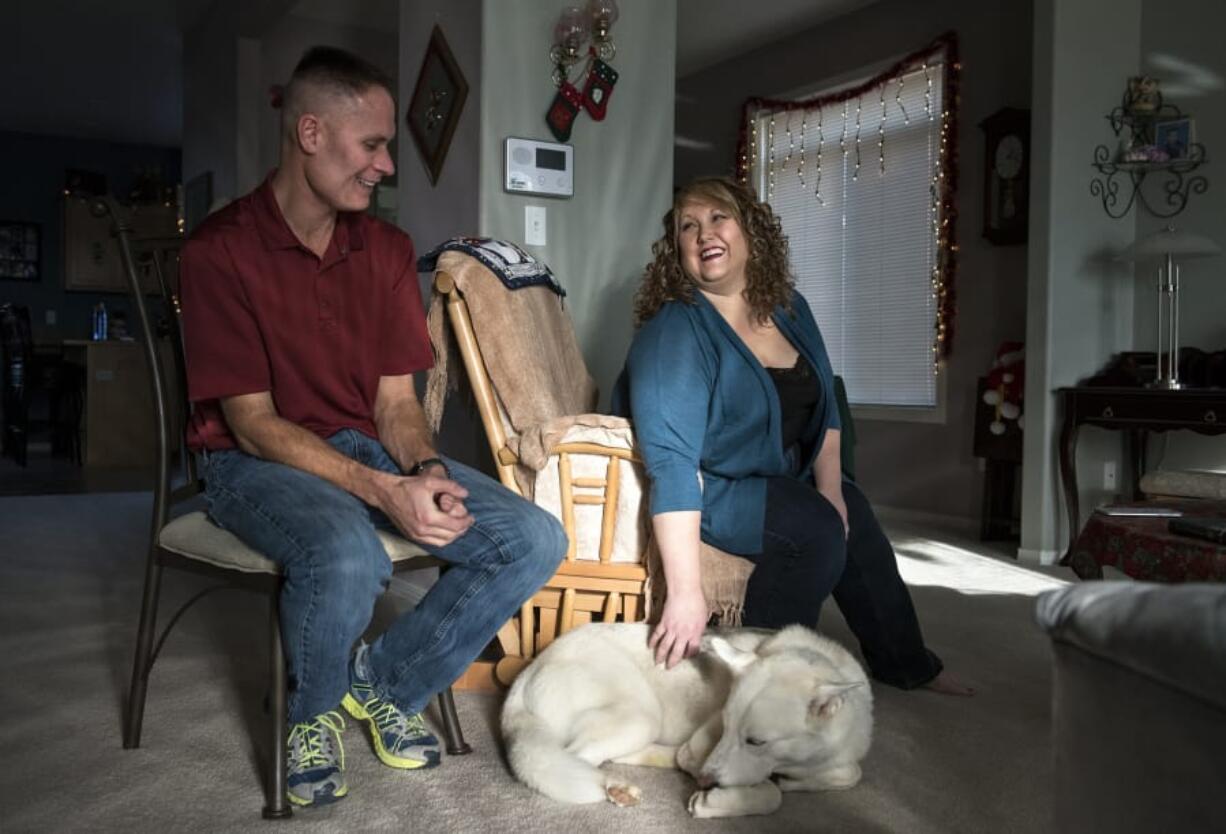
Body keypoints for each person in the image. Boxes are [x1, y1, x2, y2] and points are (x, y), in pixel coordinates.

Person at [179, 46, 567, 808]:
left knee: (533, 537)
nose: (386, 165)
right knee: (350, 555)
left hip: (360, 448)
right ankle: (311, 715)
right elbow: (253, 426)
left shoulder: (385, 250)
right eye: (373, 145)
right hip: (250, 464)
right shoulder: (218, 250)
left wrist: (423, 471)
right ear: (312, 134)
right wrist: (381, 492)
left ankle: (382, 681)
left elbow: (395, 404)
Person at [613, 176, 969, 695]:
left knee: (852, 513)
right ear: (676, 251)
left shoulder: (789, 307)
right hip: (706, 484)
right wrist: (686, 593)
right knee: (815, 534)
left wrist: (831, 490)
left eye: (718, 218)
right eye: (688, 226)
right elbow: (672, 464)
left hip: (772, 471)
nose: (703, 233)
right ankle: (760, 688)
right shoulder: (675, 332)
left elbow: (826, 406)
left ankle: (906, 662)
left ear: (751, 232)